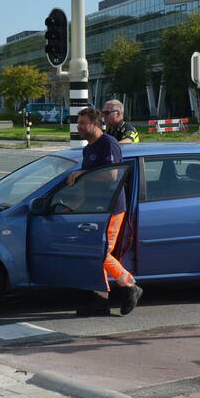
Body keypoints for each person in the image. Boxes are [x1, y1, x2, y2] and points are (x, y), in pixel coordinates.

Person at [66, 107, 143, 316]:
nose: (79, 127)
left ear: (96, 124)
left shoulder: (108, 143)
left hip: (111, 209)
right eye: (78, 123)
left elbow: (112, 175)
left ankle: (130, 285)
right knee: (94, 253)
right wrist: (76, 203)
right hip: (93, 209)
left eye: (83, 123)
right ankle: (100, 300)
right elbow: (85, 183)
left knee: (100, 252)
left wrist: (83, 173)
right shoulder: (87, 149)